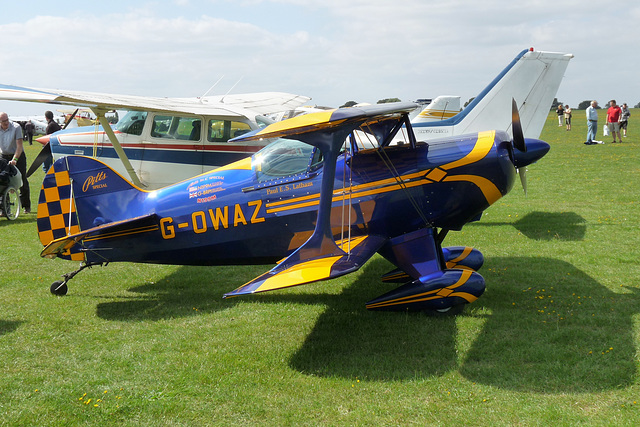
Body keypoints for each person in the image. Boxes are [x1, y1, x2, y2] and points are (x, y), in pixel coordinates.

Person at [0, 112, 30, 213]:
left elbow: (19, 146)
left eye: (7, 120)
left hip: (18, 155)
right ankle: (5, 209)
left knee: (22, 179)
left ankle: (26, 205)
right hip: (4, 156)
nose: (6, 122)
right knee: (3, 181)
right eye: (3, 121)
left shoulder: (16, 127)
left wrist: (15, 159)